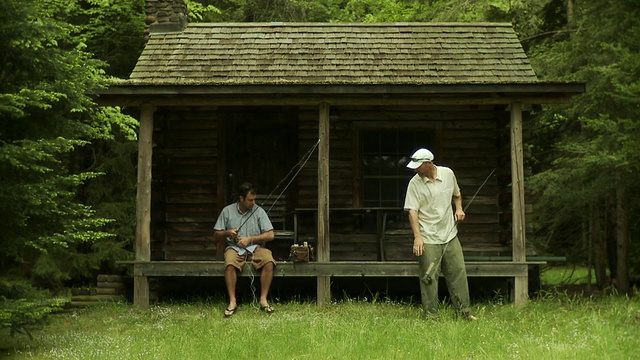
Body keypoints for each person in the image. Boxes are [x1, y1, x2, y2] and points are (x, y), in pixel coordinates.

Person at [404, 148, 477, 321]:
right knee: (429, 277)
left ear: (428, 163)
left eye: (418, 166)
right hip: (428, 237)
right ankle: (431, 316)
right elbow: (412, 212)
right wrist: (418, 237)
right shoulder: (414, 183)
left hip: (450, 234)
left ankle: (464, 313)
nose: (414, 169)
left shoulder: (448, 174)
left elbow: (457, 195)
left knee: (458, 272)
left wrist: (459, 209)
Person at [214, 182, 276, 317]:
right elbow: (216, 234)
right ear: (241, 198)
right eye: (250, 200)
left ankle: (263, 299)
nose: (253, 203)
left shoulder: (258, 211)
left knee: (269, 261)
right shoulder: (227, 211)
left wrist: (251, 239)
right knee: (230, 263)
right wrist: (227, 233)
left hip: (255, 248)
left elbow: (270, 234)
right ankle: (232, 301)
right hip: (234, 248)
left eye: (254, 200)